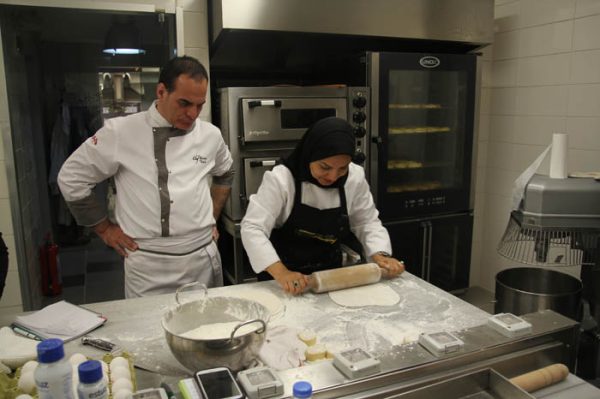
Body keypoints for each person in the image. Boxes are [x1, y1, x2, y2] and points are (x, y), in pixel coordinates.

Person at [58, 56, 234, 298]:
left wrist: (212, 217)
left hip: (201, 259)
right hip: (148, 265)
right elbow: (71, 177)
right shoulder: (121, 132)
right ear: (161, 91)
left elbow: (225, 172)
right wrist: (104, 229)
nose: (193, 114)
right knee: (150, 332)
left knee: (207, 331)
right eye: (184, 103)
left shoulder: (210, 135)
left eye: (199, 105)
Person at [241, 117, 404, 295]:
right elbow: (252, 228)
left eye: (342, 168)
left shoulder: (354, 178)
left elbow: (367, 222)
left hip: (331, 276)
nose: (333, 176)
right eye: (324, 167)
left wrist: (380, 254)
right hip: (283, 278)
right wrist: (282, 273)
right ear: (310, 154)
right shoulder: (282, 179)